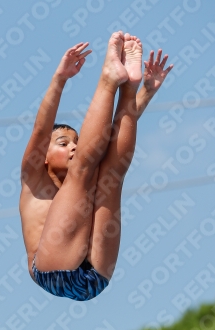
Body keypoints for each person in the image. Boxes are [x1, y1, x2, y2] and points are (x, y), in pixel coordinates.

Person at [19, 31, 173, 301]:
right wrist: (59, 79)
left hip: (94, 277)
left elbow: (111, 138)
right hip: (60, 273)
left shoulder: (80, 181)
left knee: (111, 174)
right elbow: (40, 130)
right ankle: (109, 80)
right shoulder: (34, 179)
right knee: (85, 170)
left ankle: (128, 86)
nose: (74, 147)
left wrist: (145, 91)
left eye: (76, 142)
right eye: (63, 143)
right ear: (43, 155)